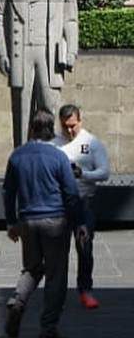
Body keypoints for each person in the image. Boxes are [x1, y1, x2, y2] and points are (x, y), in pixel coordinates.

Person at [2, 109, 87, 338]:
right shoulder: (58, 157)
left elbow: (8, 192)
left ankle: (17, 301)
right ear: (51, 131)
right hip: (56, 221)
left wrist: (11, 222)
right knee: (56, 275)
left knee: (31, 268)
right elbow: (70, 193)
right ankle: (48, 327)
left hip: (28, 221)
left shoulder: (17, 156)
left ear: (31, 129)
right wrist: (80, 222)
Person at [0, 0, 79, 149]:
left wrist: (71, 50)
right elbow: (0, 16)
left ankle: (52, 155)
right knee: (21, 109)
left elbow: (71, 18)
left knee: (50, 106)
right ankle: (20, 155)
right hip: (21, 50)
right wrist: (3, 53)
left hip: (50, 52)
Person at [53, 104, 110, 309]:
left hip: (84, 201)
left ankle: (85, 289)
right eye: (65, 126)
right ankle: (56, 292)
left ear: (80, 121)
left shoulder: (92, 143)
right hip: (60, 205)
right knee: (58, 250)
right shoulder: (54, 144)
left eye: (73, 126)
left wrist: (83, 174)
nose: (69, 131)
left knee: (84, 247)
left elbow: (104, 172)